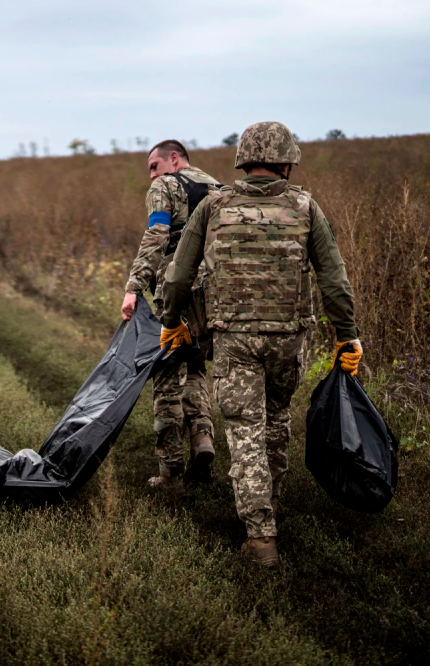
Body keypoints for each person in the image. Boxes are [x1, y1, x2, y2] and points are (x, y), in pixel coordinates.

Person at [158, 122, 361, 568]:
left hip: (234, 339)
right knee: (276, 421)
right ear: (287, 161)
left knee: (244, 428)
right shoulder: (306, 207)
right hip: (290, 338)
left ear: (243, 161)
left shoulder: (213, 205)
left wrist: (171, 322)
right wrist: (348, 335)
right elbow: (334, 279)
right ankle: (269, 507)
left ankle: (260, 534)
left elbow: (177, 275)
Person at [120, 140, 220, 492]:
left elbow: (156, 235)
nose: (151, 175)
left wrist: (134, 286)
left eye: (153, 165)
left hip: (177, 292)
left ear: (173, 159)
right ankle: (203, 439)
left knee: (165, 374)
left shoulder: (165, 186)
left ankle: (171, 473)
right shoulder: (219, 189)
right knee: (195, 366)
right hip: (216, 297)